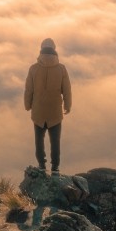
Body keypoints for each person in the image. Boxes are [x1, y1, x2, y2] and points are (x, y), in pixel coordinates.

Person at [24, 38, 72, 176]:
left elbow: (29, 89)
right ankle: (55, 168)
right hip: (55, 111)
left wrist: (27, 105)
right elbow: (67, 89)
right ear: (54, 50)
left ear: (41, 50)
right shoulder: (61, 68)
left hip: (38, 111)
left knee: (39, 140)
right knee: (55, 141)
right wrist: (67, 105)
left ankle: (41, 166)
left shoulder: (33, 68)